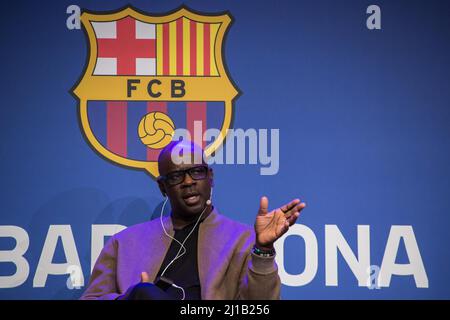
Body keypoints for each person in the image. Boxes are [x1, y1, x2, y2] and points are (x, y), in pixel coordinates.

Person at [80, 140, 306, 300]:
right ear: (163, 187)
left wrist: (264, 250)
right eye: (177, 175)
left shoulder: (243, 241)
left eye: (197, 171)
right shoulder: (125, 243)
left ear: (210, 177)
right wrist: (131, 298)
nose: (188, 182)